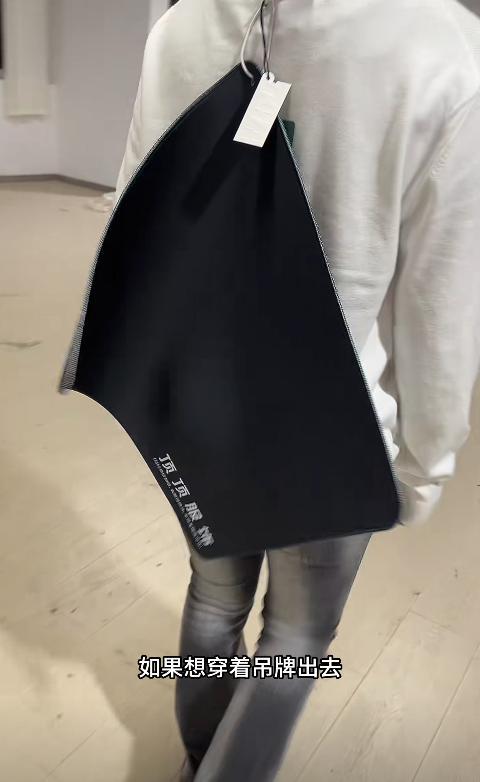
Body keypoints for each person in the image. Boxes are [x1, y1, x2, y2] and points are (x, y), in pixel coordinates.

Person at [114, 1, 480, 780]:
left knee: (213, 599)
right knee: (297, 640)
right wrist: (424, 465)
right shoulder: (445, 44)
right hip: (335, 432)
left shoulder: (180, 28)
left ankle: (198, 762)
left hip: (201, 408)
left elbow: (129, 224)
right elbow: (442, 301)